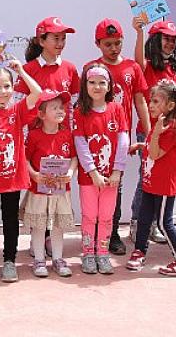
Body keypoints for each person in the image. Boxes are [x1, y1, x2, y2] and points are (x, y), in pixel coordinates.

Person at [84, 18, 150, 256]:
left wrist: (148, 131)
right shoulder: (91, 68)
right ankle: (91, 233)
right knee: (92, 185)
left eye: (117, 43)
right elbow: (84, 104)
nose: (113, 48)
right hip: (94, 140)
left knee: (115, 185)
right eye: (108, 44)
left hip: (119, 139)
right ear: (98, 44)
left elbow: (140, 100)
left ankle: (111, 234)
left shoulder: (133, 67)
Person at [17, 16, 80, 258]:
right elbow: (20, 105)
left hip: (60, 140)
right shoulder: (29, 70)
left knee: (57, 190)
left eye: (63, 38)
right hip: (35, 140)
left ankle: (51, 240)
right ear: (41, 40)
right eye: (55, 38)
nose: (60, 43)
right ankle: (38, 238)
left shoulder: (70, 69)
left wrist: (70, 133)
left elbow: (74, 104)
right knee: (38, 190)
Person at [0, 61, 41, 284]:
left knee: (10, 220)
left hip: (12, 178)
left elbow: (37, 93)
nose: (3, 91)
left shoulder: (18, 110)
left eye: (7, 86)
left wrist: (21, 71)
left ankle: (10, 261)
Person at [127, 18, 176, 247]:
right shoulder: (147, 65)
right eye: (166, 39)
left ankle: (154, 224)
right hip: (149, 132)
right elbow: (138, 61)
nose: (170, 43)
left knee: (160, 180)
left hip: (171, 134)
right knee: (147, 177)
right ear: (155, 40)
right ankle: (138, 223)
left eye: (173, 40)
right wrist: (139, 32)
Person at [126, 80, 176, 276]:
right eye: (150, 101)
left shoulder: (171, 128)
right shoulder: (161, 124)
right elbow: (153, 149)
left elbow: (156, 154)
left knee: (164, 223)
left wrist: (155, 134)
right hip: (150, 181)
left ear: (170, 105)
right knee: (144, 218)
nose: (150, 105)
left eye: (155, 101)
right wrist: (141, 145)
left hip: (163, 184)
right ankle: (139, 251)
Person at [73, 65, 129, 275]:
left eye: (101, 83)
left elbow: (123, 140)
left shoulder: (117, 109)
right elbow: (80, 144)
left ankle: (102, 253)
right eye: (92, 82)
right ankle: (88, 253)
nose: (97, 87)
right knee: (89, 216)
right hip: (89, 178)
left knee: (106, 216)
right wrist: (93, 172)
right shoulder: (80, 112)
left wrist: (117, 170)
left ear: (109, 86)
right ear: (85, 85)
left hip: (111, 178)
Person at [22, 90, 77, 278]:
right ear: (41, 114)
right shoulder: (34, 136)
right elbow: (25, 159)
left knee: (58, 226)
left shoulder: (67, 134)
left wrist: (70, 173)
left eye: (61, 107)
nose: (60, 110)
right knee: (39, 226)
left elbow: (74, 157)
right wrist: (34, 175)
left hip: (61, 190)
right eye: (54, 108)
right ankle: (39, 259)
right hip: (39, 191)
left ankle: (58, 258)